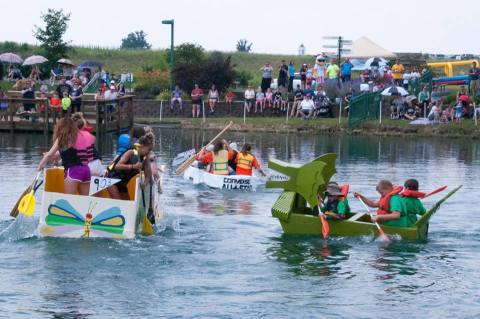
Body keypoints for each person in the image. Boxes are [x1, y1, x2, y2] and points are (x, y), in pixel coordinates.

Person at [37, 118, 93, 195]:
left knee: (68, 200)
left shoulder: (62, 138)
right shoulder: (80, 136)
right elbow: (70, 153)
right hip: (86, 171)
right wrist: (55, 158)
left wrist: (40, 166)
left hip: (74, 171)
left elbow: (49, 155)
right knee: (85, 201)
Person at [107, 132, 154, 200]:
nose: (149, 152)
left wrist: (144, 183)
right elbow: (117, 166)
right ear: (142, 146)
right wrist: (133, 166)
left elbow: (148, 175)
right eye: (148, 149)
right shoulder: (131, 152)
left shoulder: (145, 158)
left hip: (123, 183)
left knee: (128, 206)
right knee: (119, 204)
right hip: (111, 181)